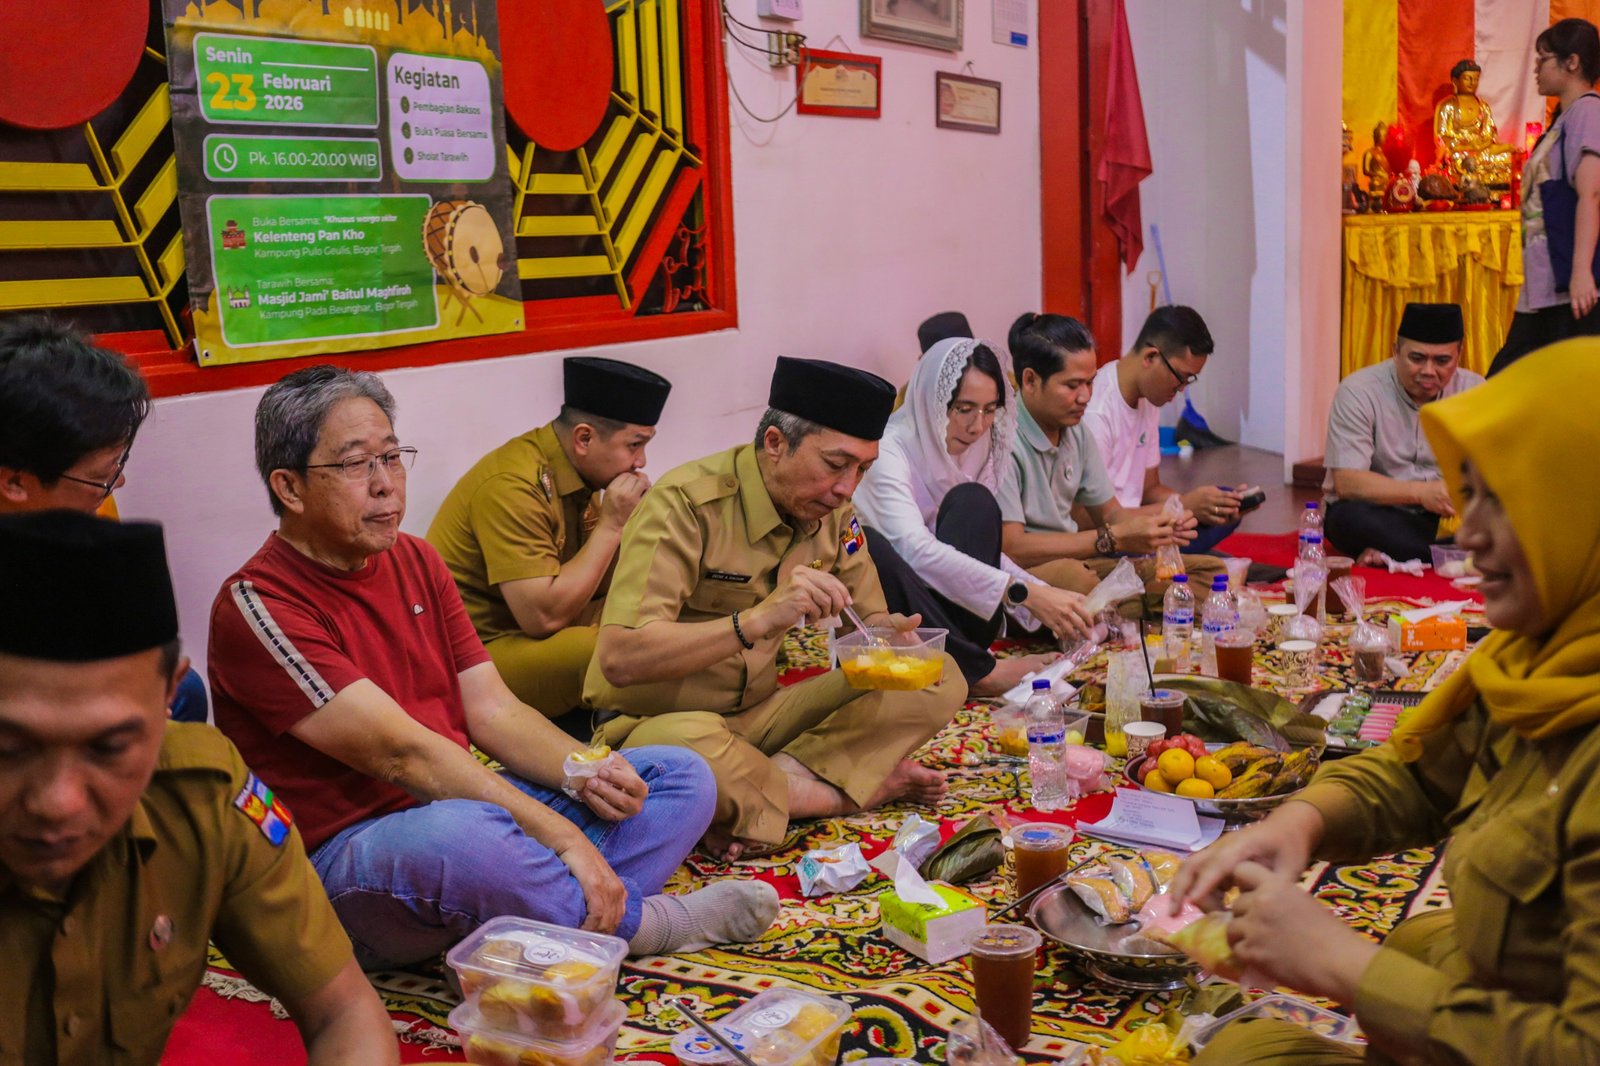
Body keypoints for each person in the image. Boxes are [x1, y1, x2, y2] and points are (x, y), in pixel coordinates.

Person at [208, 366, 776, 970]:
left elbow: (492, 708)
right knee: (462, 834)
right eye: (355, 465)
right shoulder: (258, 604)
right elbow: (405, 755)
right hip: (348, 869)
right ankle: (646, 925)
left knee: (677, 776)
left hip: (455, 820)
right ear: (290, 489)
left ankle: (522, 932)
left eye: (392, 457)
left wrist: (582, 769)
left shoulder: (417, 559)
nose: (385, 486)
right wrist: (564, 837)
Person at [1177, 338, 1600, 1065]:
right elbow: (1420, 773)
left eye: (1504, 500)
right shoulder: (1543, 655)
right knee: (1410, 950)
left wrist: (1346, 967)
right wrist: (1298, 825)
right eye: (1469, 495)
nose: (1467, 534)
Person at [0, 510, 396, 1065]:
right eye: (9, 750)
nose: (57, 802)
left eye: (109, 748)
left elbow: (345, 1014)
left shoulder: (202, 796)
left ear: (169, 695)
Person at [586, 357, 966, 863]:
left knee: (938, 676)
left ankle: (765, 791)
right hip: (656, 722)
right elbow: (620, 658)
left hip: (763, 716)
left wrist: (891, 639)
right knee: (681, 752)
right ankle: (839, 792)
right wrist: (757, 621)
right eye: (835, 465)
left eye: (862, 470)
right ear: (774, 443)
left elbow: (872, 618)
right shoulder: (685, 505)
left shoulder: (834, 514)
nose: (847, 488)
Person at [427, 356, 671, 722]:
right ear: (584, 438)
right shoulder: (512, 485)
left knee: (661, 614)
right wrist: (612, 526)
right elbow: (543, 617)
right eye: (634, 445)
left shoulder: (579, 471)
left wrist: (639, 528)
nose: (640, 460)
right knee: (608, 651)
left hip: (537, 635)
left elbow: (602, 583)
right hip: (478, 655)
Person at [855, 337, 1094, 695]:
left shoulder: (977, 444)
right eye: (964, 409)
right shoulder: (890, 451)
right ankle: (979, 673)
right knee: (872, 547)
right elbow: (914, 550)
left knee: (974, 502)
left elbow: (971, 548)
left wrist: (1045, 596)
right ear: (933, 402)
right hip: (899, 608)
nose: (977, 425)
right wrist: (1025, 593)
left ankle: (967, 654)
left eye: (989, 409)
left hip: (956, 612)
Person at [0, 315, 208, 724]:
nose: (118, 482)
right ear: (15, 482)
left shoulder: (79, 523)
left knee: (183, 690)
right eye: (103, 475)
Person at [997, 313, 1223, 608]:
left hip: (1086, 560)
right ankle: (1127, 608)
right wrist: (1112, 539)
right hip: (1032, 573)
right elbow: (1013, 548)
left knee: (1209, 572)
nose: (1085, 396)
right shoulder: (1003, 440)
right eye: (1073, 385)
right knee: (1078, 580)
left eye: (1089, 383)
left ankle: (1121, 609)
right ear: (1030, 380)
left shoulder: (1076, 433)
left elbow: (1112, 514)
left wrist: (1159, 524)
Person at [1082, 305, 1254, 553]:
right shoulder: (1096, 411)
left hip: (1143, 521)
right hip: (1111, 533)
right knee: (1197, 533)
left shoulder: (1149, 398)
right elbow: (1087, 519)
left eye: (1189, 380)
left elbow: (1150, 490)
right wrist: (1183, 505)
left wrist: (1199, 505)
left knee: (1223, 503)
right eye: (1180, 377)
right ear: (1150, 358)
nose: (1182, 389)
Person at [1323, 302, 1483, 564]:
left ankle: (1410, 553)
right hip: (1383, 512)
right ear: (1396, 351)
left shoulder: (1475, 391)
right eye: (1416, 359)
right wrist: (1421, 493)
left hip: (1448, 518)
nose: (1428, 371)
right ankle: (1455, 553)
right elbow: (1347, 482)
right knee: (1347, 519)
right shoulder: (1358, 391)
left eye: (1442, 360)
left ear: (1459, 354)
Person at [1491, 18, 1600, 376]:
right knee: (1510, 381)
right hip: (1545, 288)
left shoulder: (1587, 111)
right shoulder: (1563, 119)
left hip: (1572, 288)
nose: (1536, 68)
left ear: (1572, 63)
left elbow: (1592, 192)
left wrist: (1582, 272)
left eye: (1543, 59)